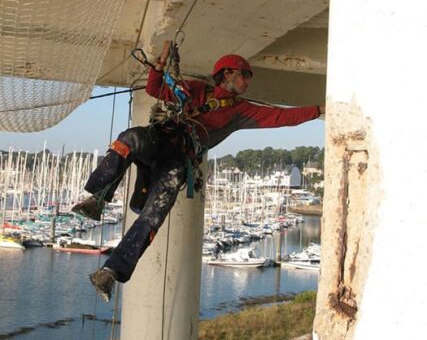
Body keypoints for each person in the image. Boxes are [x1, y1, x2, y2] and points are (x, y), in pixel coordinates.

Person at [72, 43, 325, 302]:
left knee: (153, 216)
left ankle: (111, 272)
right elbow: (155, 89)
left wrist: (319, 111)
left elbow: (282, 117)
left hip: (178, 161)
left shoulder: (241, 110)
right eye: (245, 75)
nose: (248, 82)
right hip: (160, 140)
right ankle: (98, 198)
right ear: (227, 74)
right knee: (131, 139)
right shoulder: (194, 90)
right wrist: (158, 67)